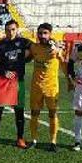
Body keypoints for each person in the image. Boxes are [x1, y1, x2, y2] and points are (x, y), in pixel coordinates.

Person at [0, 20, 32, 148]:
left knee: (19, 110)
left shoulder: (24, 42)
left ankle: (20, 138)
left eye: (13, 29)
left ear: (17, 30)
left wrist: (28, 59)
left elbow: (36, 49)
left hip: (19, 81)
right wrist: (3, 72)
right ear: (5, 30)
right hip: (3, 81)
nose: (10, 32)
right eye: (8, 30)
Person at [28, 23, 65, 152]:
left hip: (51, 87)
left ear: (50, 34)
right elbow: (26, 58)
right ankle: (33, 140)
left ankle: (53, 142)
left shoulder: (57, 48)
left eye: (45, 33)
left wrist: (59, 50)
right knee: (34, 114)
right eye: (40, 33)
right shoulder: (34, 47)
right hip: (36, 87)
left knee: (52, 114)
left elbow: (64, 63)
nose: (42, 36)